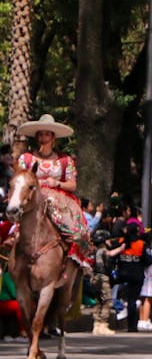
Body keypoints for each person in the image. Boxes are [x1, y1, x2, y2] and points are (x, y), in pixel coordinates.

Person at [15, 113, 91, 264]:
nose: (43, 138)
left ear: (53, 137)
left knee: (76, 231)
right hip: (32, 197)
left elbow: (73, 185)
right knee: (14, 220)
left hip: (58, 200)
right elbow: (20, 180)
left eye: (47, 134)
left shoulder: (65, 160)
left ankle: (76, 258)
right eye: (40, 134)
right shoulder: (26, 159)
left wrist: (56, 183)